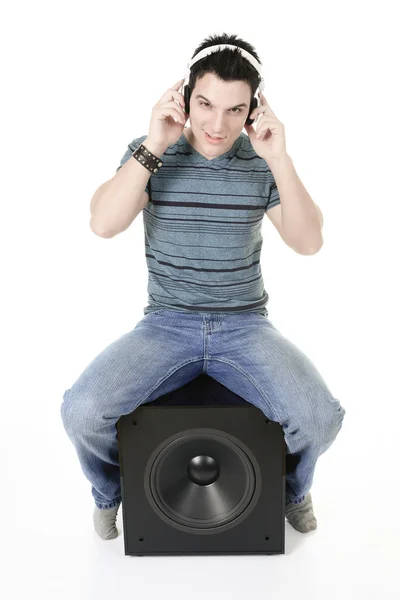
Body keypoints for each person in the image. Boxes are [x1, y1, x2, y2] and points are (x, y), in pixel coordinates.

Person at [61, 33, 346, 540]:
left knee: (318, 416)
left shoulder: (261, 162)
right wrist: (154, 143)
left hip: (245, 326)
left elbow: (309, 242)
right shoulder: (151, 154)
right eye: (206, 104)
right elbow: (103, 224)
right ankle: (109, 495)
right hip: (166, 325)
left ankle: (292, 491)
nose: (218, 124)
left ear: (254, 109)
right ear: (185, 96)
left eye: (236, 109)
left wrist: (279, 157)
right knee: (82, 412)